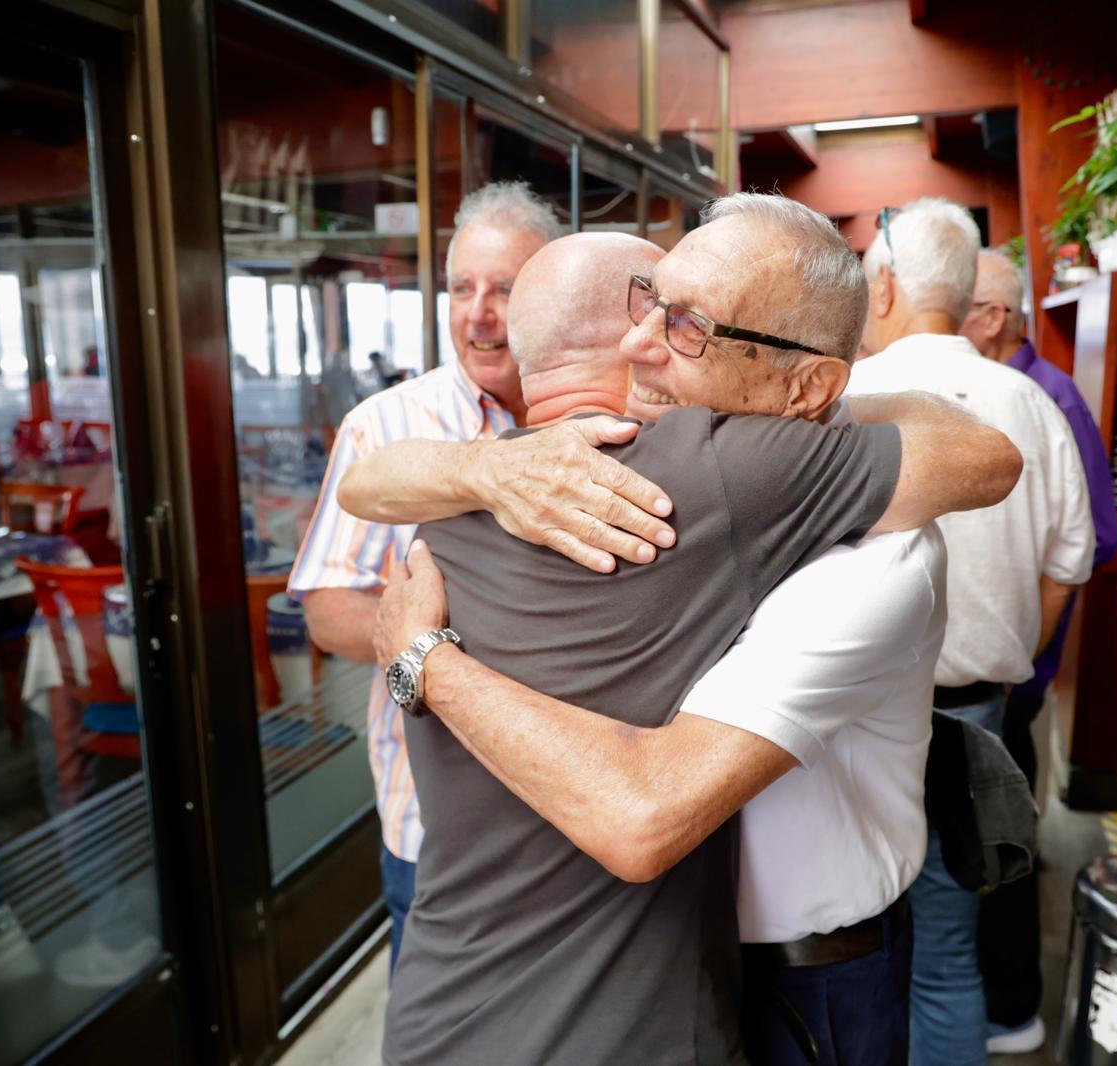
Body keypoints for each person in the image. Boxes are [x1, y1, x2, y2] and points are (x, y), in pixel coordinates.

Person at [345, 198, 1022, 1063]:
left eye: (690, 326)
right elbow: (370, 477)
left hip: (795, 977)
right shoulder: (537, 479)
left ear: (807, 387)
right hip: (652, 991)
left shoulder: (783, 504)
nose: (642, 344)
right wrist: (479, 463)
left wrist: (423, 659)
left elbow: (986, 457)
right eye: (647, 303)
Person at [286, 181, 564, 971]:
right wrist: (448, 642)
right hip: (436, 830)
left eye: (505, 289)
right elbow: (328, 609)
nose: (479, 313)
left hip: (573, 818)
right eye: (461, 288)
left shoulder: (597, 415)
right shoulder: (382, 428)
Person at [851, 198, 1095, 1066]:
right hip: (976, 718)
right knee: (948, 955)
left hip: (846, 725)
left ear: (884, 284)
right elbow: (1072, 559)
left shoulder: (848, 397)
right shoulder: (1028, 400)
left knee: (855, 951)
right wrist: (1020, 659)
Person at [961, 249, 1117, 1053]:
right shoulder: (993, 389)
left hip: (1010, 680)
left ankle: (1013, 1011)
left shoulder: (1045, 397)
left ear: (990, 315)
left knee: (1001, 857)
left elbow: (1091, 537)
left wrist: (1021, 651)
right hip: (1002, 673)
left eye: (955, 303)